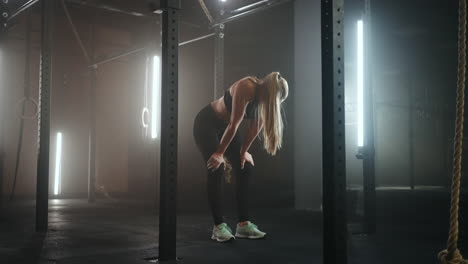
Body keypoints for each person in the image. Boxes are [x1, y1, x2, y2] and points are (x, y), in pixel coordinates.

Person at [193, 72, 289, 242]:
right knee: (217, 166)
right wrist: (219, 153)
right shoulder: (247, 86)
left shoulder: (264, 102)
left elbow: (254, 129)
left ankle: (243, 225)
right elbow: (233, 124)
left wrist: (244, 151)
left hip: (227, 128)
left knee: (245, 166)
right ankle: (218, 227)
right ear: (269, 92)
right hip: (207, 122)